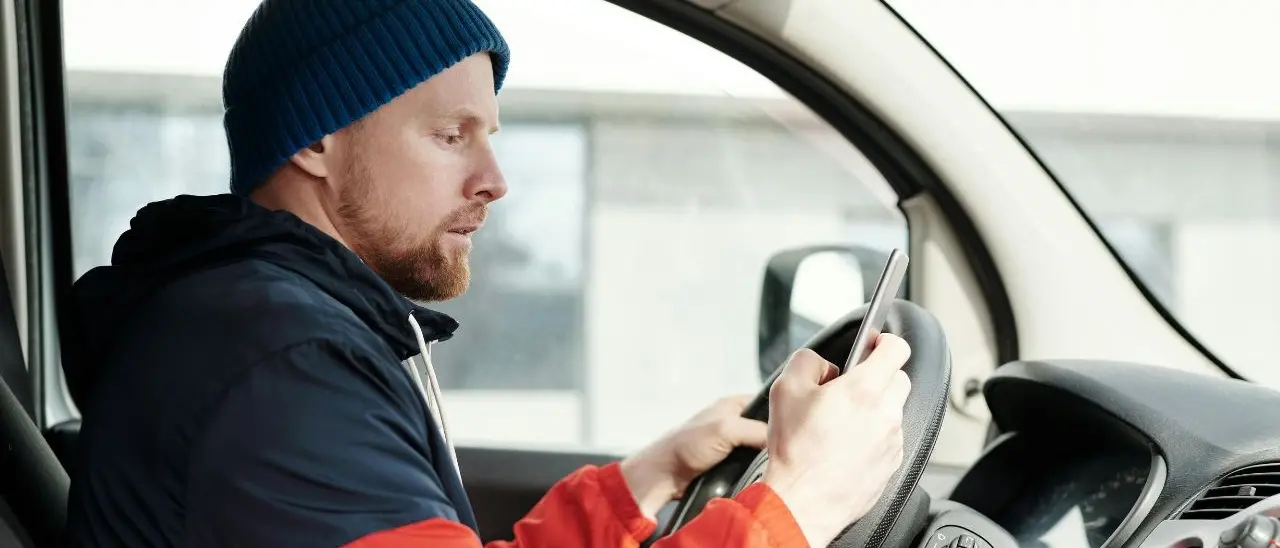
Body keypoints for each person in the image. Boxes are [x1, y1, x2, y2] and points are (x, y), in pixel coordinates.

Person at [61, 0, 914, 547]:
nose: (493, 181)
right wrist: (799, 502)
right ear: (317, 140)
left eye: (490, 135)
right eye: (449, 135)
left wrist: (647, 479)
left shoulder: (275, 327)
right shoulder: (277, 369)